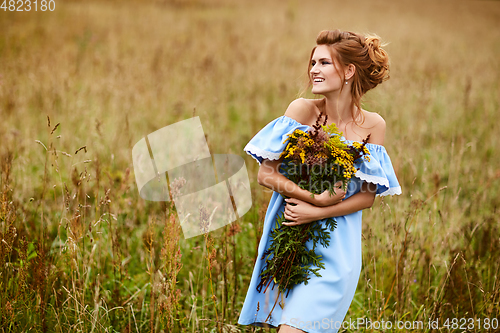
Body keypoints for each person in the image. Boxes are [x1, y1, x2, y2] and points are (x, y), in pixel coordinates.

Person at [238, 29, 401, 333]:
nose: (313, 69)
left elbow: (366, 197)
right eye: (313, 62)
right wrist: (313, 197)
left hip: (337, 252)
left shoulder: (373, 125)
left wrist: (319, 210)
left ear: (349, 70)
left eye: (324, 63)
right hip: (289, 240)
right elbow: (266, 174)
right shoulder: (302, 111)